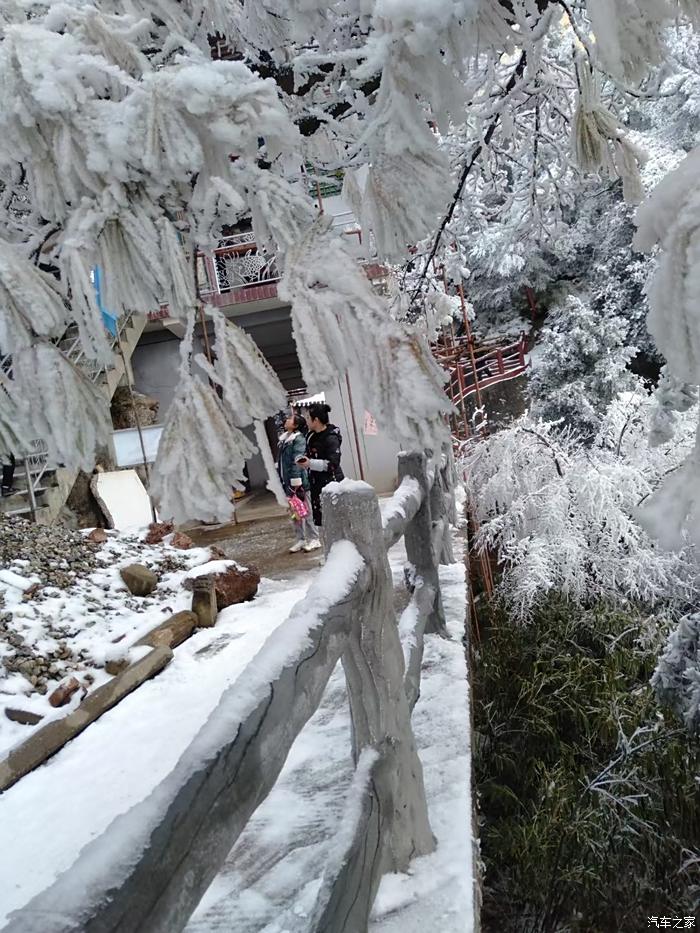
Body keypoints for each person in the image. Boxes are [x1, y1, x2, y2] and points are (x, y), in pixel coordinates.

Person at [277, 413, 321, 553]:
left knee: (306, 510)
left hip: (299, 482)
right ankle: (300, 539)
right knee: (295, 512)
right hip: (288, 482)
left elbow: (298, 460)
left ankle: (314, 538)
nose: (287, 420)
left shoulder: (298, 439)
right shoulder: (285, 439)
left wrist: (296, 481)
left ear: (296, 425)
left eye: (290, 419)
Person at [296, 403, 344, 530]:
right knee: (323, 522)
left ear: (316, 420)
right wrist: (304, 461)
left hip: (331, 485)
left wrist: (310, 463)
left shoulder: (331, 437)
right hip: (317, 485)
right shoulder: (311, 436)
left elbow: (333, 464)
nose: (306, 421)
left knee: (335, 522)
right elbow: (309, 455)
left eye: (308, 418)